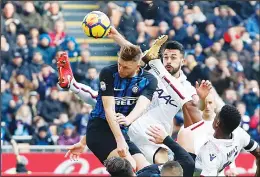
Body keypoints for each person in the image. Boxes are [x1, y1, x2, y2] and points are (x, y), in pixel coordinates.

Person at [63, 27, 211, 164]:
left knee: (155, 168)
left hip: (154, 135)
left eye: (173, 58)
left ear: (182, 61)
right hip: (132, 124)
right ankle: (72, 84)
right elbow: (135, 58)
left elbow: (197, 108)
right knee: (102, 100)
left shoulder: (185, 86)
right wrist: (116, 36)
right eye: (165, 57)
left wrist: (203, 99)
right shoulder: (154, 72)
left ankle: (72, 84)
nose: (168, 61)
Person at [61, 32, 168, 171]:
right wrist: (120, 141)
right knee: (129, 168)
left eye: (126, 67)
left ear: (137, 67)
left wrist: (128, 120)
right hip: (99, 131)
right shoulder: (108, 73)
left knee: (148, 170)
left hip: (120, 131)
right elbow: (108, 110)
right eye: (119, 64)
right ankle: (72, 84)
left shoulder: (149, 80)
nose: (120, 69)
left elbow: (142, 104)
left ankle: (72, 84)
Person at [104, 124, 195, 177]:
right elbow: (188, 161)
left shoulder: (145, 173)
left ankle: (121, 130)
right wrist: (166, 139)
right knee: (186, 133)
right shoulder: (185, 166)